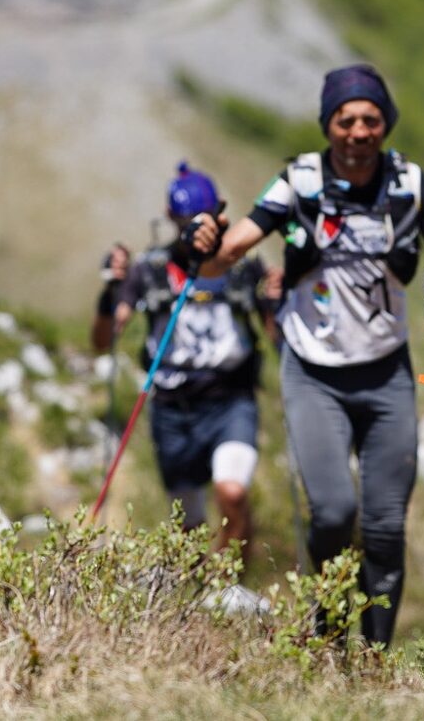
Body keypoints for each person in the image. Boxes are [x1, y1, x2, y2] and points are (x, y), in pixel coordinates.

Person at [189, 64, 424, 647]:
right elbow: (227, 251)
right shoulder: (298, 181)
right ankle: (327, 640)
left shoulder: (407, 182)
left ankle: (374, 656)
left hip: (387, 375)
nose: (358, 131)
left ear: (387, 124)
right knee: (330, 512)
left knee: (383, 526)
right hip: (313, 376)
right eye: (345, 119)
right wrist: (204, 243)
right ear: (328, 125)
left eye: (371, 119)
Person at [111, 163, 276, 566]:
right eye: (185, 221)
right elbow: (107, 334)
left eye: (200, 219)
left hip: (230, 399)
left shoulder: (243, 267)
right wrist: (109, 292)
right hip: (172, 407)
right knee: (188, 523)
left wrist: (277, 299)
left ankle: (231, 587)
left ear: (220, 214)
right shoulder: (149, 270)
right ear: (171, 218)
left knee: (232, 493)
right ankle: (198, 603)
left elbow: (276, 335)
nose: (193, 228)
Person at [91, 242, 131, 354]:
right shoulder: (107, 297)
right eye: (115, 261)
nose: (120, 265)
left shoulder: (135, 286)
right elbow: (101, 344)